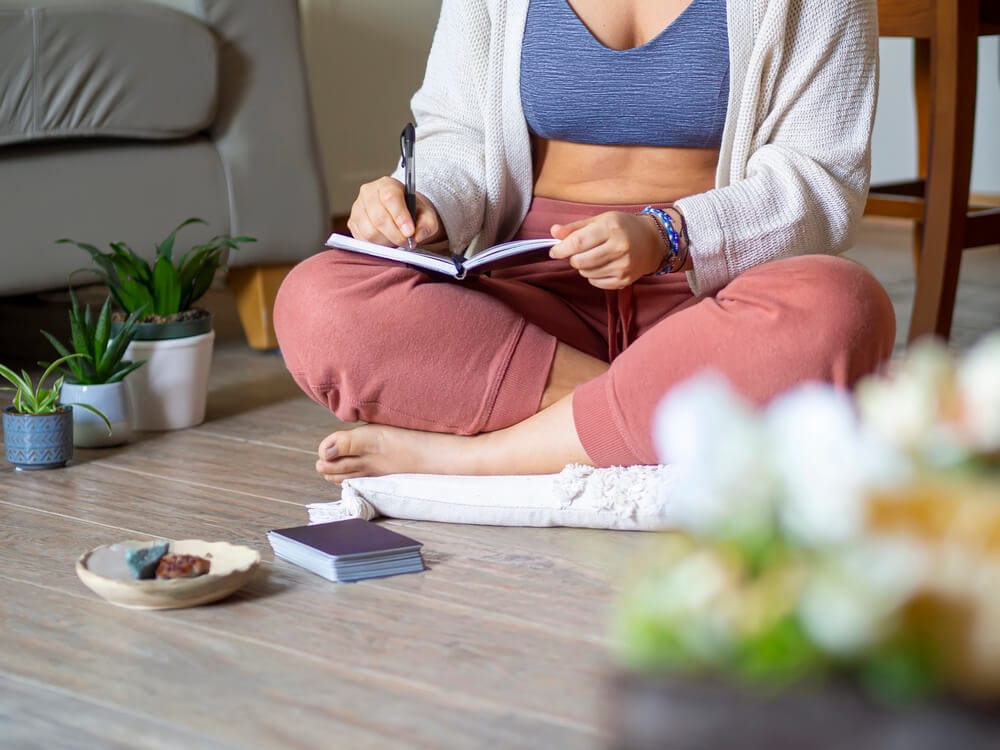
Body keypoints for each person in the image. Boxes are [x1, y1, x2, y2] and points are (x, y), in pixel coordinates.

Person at [274, 0, 895, 485]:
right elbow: (457, 136)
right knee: (316, 301)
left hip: (712, 296)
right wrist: (421, 201)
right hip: (536, 302)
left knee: (843, 305)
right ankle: (659, 416)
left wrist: (670, 234)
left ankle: (479, 460)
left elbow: (822, 177)